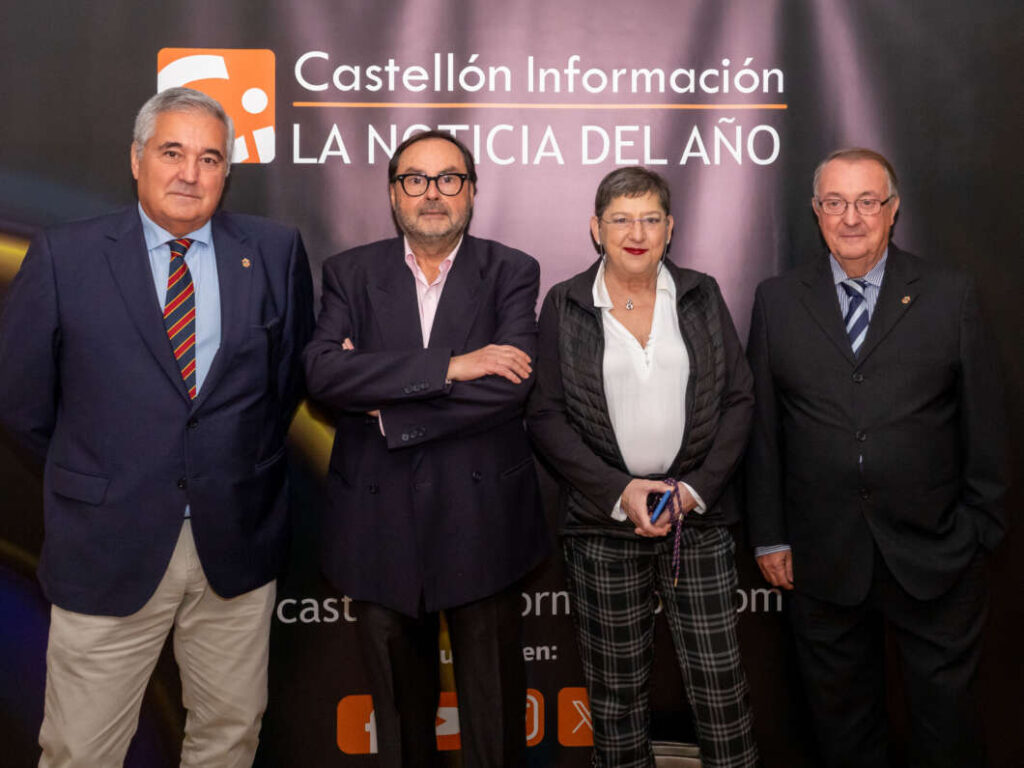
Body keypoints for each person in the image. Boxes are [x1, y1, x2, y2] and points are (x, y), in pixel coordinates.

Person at [0, 87, 314, 768]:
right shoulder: (65, 257)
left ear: (226, 171)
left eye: (210, 158)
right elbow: (21, 403)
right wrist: (101, 476)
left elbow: (286, 383)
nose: (190, 174)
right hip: (107, 545)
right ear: (137, 159)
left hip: (235, 542)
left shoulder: (274, 251)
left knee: (229, 738)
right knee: (81, 750)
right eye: (172, 152)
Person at [745, 147, 1007, 767]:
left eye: (867, 201)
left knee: (947, 727)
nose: (851, 217)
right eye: (836, 202)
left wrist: (979, 528)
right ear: (816, 211)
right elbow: (763, 431)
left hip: (936, 554)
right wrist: (770, 535)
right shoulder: (777, 300)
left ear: (893, 210)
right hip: (822, 556)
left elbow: (987, 424)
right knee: (843, 731)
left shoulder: (949, 295)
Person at [303, 130, 549, 768]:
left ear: (471, 191)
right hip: (378, 522)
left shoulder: (511, 270)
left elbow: (509, 387)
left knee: (494, 728)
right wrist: (453, 366)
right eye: (415, 179)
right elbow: (324, 374)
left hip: (482, 520)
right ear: (393, 194)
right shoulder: (350, 273)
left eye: (448, 179)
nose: (432, 194)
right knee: (400, 727)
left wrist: (386, 405)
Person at [526, 166, 759, 768]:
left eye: (650, 219)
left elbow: (739, 401)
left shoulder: (701, 294)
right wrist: (618, 490)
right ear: (596, 228)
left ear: (670, 228)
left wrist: (695, 491)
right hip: (602, 525)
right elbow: (545, 416)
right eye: (621, 220)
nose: (637, 233)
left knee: (721, 691)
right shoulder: (566, 303)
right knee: (616, 699)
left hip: (696, 521)